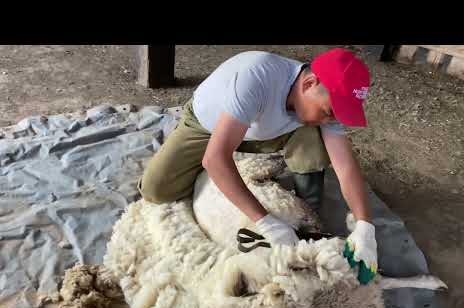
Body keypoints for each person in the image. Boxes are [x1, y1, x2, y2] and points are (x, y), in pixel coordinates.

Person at [138, 48, 378, 283]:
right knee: (156, 189)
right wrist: (266, 222)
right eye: (329, 112)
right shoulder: (256, 77)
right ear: (309, 84)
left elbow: (345, 164)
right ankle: (230, 171)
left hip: (268, 134)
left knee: (314, 135)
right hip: (208, 127)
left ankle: (307, 220)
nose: (331, 120)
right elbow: (215, 158)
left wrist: (365, 225)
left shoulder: (320, 104)